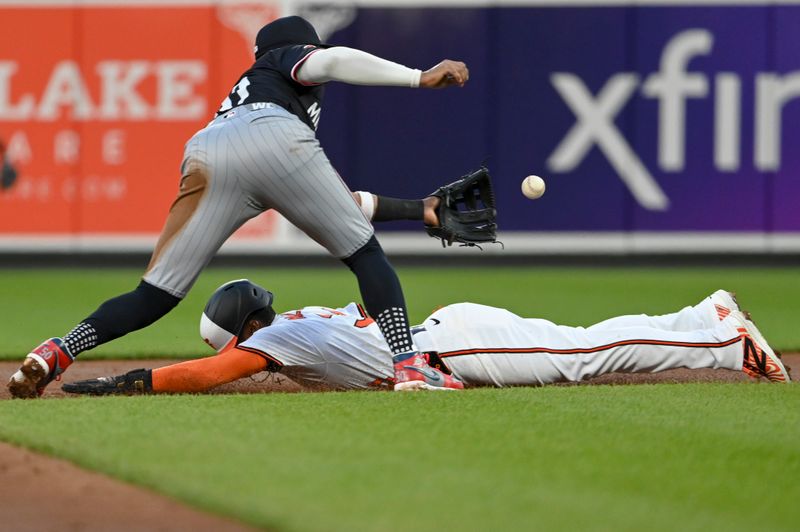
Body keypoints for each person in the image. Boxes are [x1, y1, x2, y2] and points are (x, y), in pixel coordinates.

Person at [8, 16, 471, 399]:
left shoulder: (248, 85)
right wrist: (418, 76)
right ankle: (410, 367)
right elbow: (331, 59)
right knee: (366, 257)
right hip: (276, 135)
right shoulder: (286, 58)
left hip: (207, 150)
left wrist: (420, 209)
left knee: (153, 295)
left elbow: (343, 205)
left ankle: (56, 351)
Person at [61, 281, 791, 396]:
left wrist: (123, 382)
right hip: (450, 329)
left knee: (582, 356)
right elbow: (226, 361)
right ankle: (704, 316)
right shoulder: (292, 324)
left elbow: (210, 373)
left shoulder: (281, 338)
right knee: (582, 339)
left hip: (456, 346)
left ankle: (725, 343)